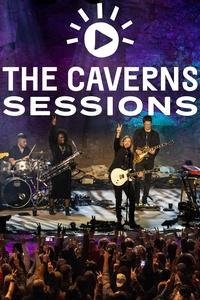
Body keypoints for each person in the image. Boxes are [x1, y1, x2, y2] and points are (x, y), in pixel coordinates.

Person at [109, 124, 141, 229]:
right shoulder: (119, 149)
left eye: (129, 141)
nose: (127, 143)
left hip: (126, 179)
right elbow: (115, 143)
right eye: (125, 141)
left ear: (131, 144)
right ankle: (119, 221)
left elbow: (131, 168)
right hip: (116, 177)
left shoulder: (131, 154)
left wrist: (137, 175)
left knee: (132, 198)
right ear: (123, 142)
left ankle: (131, 221)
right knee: (119, 199)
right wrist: (118, 132)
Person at [48, 116, 73, 216]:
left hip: (66, 172)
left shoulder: (68, 147)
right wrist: (53, 125)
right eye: (59, 137)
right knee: (54, 190)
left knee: (67, 190)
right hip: (56, 171)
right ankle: (51, 208)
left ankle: (67, 209)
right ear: (56, 139)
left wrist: (71, 164)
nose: (61, 139)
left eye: (63, 137)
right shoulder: (54, 146)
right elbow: (50, 137)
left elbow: (71, 158)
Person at [133, 115, 160, 205]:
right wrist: (137, 150)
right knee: (137, 179)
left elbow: (158, 147)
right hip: (139, 159)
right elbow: (135, 144)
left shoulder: (155, 134)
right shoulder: (138, 132)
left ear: (151, 124)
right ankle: (136, 200)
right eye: (146, 124)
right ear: (143, 124)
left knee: (148, 180)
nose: (147, 126)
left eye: (149, 124)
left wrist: (154, 152)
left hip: (150, 160)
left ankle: (144, 199)